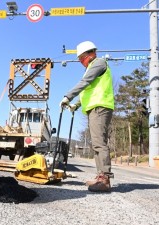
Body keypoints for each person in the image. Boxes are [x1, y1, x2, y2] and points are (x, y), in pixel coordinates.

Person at [59, 41, 114, 192]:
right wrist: (75, 105)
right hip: (94, 108)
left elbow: (85, 82)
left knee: (99, 143)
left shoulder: (99, 63)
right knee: (96, 143)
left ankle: (105, 179)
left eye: (81, 59)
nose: (80, 62)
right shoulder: (92, 66)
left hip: (100, 107)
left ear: (89, 54)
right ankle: (100, 176)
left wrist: (67, 97)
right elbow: (87, 90)